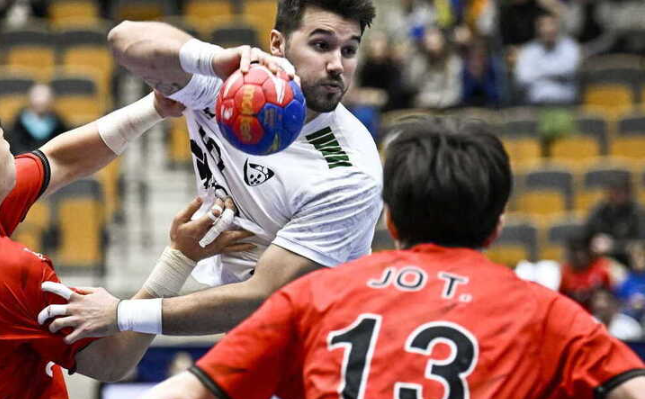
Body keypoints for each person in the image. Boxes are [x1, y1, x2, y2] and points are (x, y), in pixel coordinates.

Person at [133, 116, 645, 399]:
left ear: (391, 219)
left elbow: (186, 393)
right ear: (497, 225)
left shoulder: (317, 295)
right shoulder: (545, 313)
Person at [37, 0, 383, 340]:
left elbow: (263, 295)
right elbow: (124, 39)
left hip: (324, 340)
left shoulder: (350, 171)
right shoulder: (229, 84)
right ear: (277, 43)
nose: (337, 65)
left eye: (349, 51)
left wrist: (121, 314)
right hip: (253, 327)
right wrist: (211, 59)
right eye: (321, 45)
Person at [0, 72, 250, 398]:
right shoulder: (8, 269)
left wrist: (154, 106)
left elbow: (61, 160)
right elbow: (111, 360)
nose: (9, 145)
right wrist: (180, 257)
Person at [515, 13, 581, 105]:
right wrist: (556, 74)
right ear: (537, 29)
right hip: (535, 106)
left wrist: (538, 72)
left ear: (558, 27)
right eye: (544, 26)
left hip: (566, 104)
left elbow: (569, 70)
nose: (548, 29)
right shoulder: (529, 51)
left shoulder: (569, 46)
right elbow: (523, 78)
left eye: (551, 24)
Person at [586, 178, 645, 267]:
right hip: (604, 259)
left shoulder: (637, 212)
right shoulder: (600, 210)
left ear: (629, 193)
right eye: (615, 190)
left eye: (622, 191)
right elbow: (588, 233)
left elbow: (640, 242)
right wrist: (594, 243)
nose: (618, 195)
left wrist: (613, 245)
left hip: (629, 260)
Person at [9, 83, 68, 154]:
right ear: (30, 98)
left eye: (45, 96)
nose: (41, 100)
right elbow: (15, 145)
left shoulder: (58, 122)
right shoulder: (19, 122)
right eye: (37, 96)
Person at [559, 234, 613, 310]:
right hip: (573, 312)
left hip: (596, 314)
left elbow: (610, 295)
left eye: (582, 253)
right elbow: (561, 297)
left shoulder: (601, 269)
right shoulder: (565, 273)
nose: (579, 257)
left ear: (588, 253)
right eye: (575, 254)